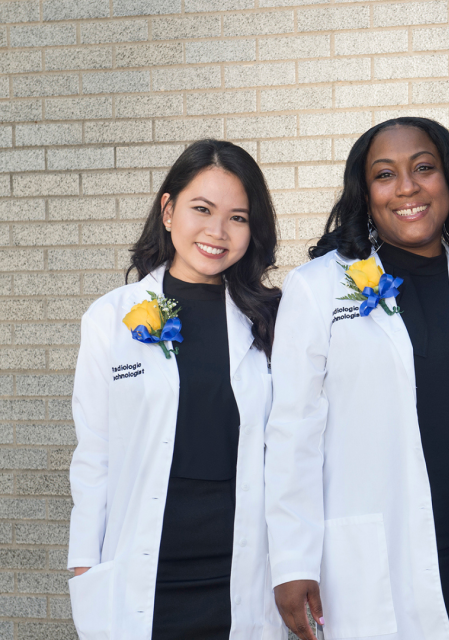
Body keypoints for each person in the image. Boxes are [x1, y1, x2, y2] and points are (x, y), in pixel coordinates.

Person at [264, 117, 449, 640]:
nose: (407, 188)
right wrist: (291, 560)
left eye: (423, 168)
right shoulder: (317, 288)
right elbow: (291, 434)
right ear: (365, 194)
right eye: (385, 174)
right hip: (374, 556)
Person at [67, 139, 284, 640]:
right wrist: (85, 562)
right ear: (168, 211)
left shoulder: (274, 319)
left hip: (241, 565)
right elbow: (94, 453)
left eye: (237, 217)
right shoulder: (111, 318)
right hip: (144, 562)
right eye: (201, 209)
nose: (217, 231)